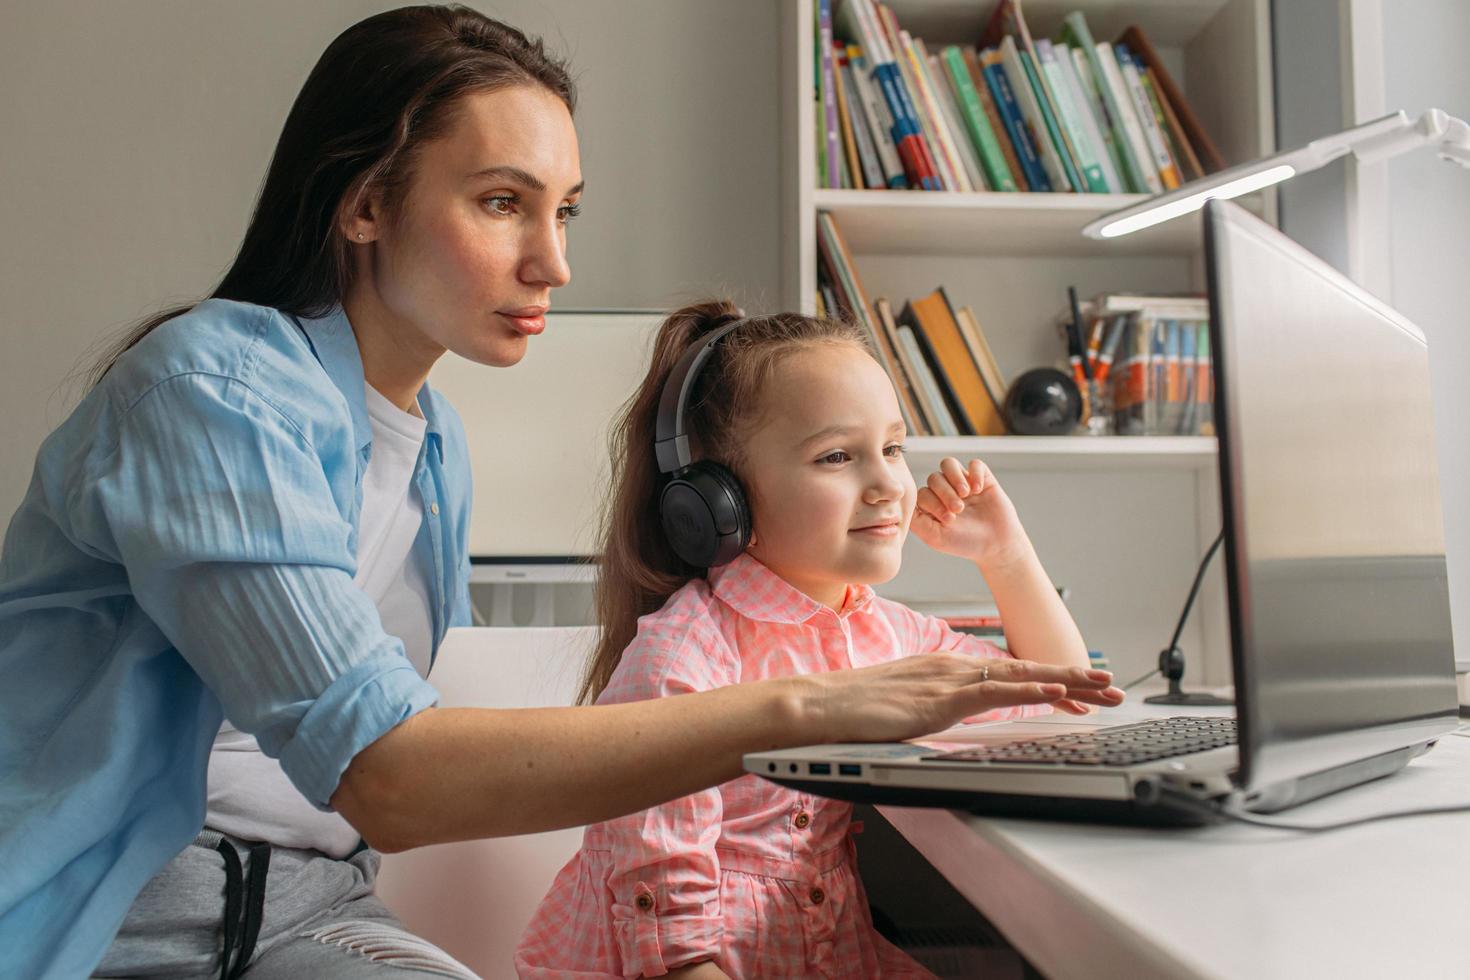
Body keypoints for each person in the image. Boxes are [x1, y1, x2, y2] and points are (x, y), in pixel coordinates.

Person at [0, 6, 1121, 978]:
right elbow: (387, 774)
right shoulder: (213, 392)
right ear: (363, 206)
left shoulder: (434, 442)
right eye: (502, 202)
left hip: (309, 913)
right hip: (116, 926)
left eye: (565, 210)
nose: (555, 261)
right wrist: (812, 710)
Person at [514, 302, 1123, 979]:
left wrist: (1006, 554)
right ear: (720, 500)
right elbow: (666, 935)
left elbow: (1067, 696)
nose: (889, 483)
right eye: (837, 456)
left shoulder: (881, 633)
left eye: (892, 448)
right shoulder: (681, 657)